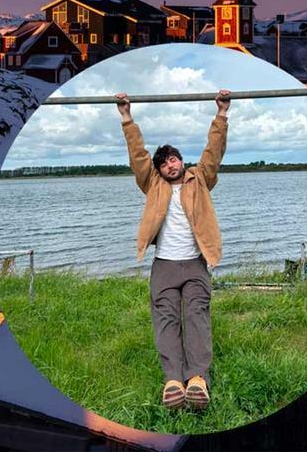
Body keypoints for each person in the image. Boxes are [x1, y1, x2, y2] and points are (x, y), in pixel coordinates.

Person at [117, 89, 230, 411]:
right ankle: (173, 382)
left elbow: (213, 152)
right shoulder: (153, 185)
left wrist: (222, 114)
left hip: (195, 264)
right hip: (164, 266)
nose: (169, 165)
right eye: (163, 163)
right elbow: (139, 157)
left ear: (181, 161)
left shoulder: (201, 179)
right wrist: (126, 118)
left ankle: (197, 380)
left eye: (173, 159)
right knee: (166, 320)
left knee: (196, 318)